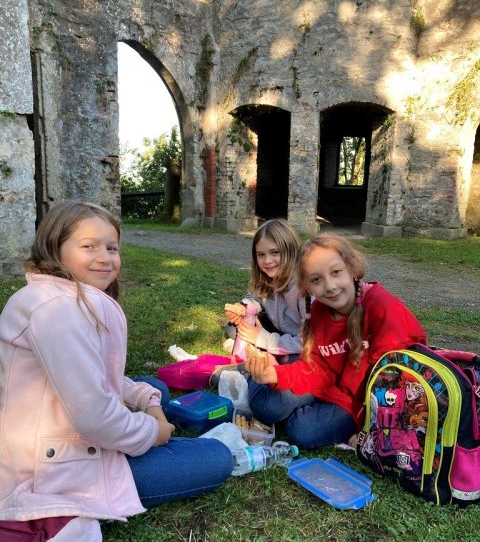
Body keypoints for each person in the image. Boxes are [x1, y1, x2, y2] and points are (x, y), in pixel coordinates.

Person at [0, 201, 233, 522]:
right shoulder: (57, 311)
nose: (104, 257)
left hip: (57, 430)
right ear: (55, 248)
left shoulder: (61, 297)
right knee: (217, 457)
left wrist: (147, 399)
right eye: (88, 246)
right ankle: (152, 442)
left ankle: (150, 426)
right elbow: (94, 417)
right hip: (50, 470)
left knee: (154, 388)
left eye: (112, 248)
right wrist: (154, 432)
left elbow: (95, 377)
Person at [245, 233, 427, 449]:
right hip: (331, 387)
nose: (330, 286)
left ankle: (307, 412)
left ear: (352, 268)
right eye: (316, 280)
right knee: (265, 406)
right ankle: (250, 375)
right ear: (306, 286)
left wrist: (371, 428)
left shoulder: (383, 308)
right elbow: (316, 368)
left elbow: (396, 384)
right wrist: (275, 375)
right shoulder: (319, 311)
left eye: (336, 272)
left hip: (363, 402)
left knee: (302, 430)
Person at [224, 218, 306, 365]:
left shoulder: (303, 288)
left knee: (297, 359)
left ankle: (270, 351)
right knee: (233, 328)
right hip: (279, 329)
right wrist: (244, 308)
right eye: (261, 255)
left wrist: (262, 338)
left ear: (290, 251)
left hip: (300, 338)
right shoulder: (268, 276)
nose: (267, 261)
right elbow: (255, 296)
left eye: (274, 252)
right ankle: (264, 347)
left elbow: (309, 341)